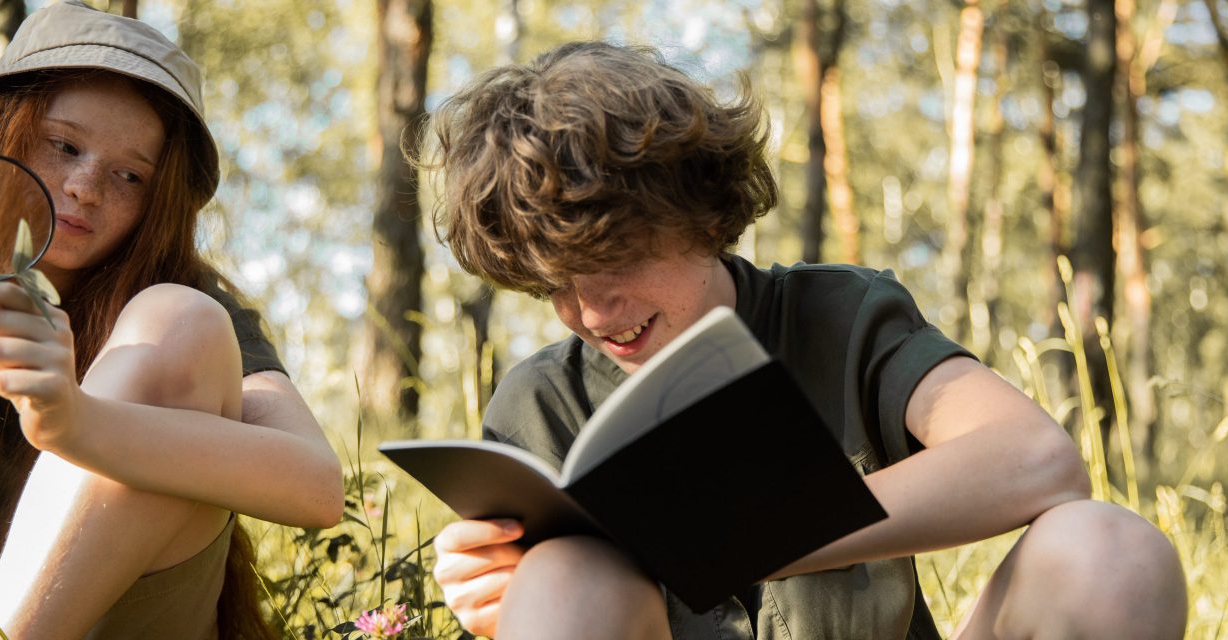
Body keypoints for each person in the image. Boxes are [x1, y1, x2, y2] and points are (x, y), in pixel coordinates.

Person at [424, 42, 1188, 639]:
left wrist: (757, 536)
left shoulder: (836, 315)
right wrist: (505, 602)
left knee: (1109, 552)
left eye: (613, 260)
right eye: (555, 283)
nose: (591, 312)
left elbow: (1035, 461)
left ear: (697, 212)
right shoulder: (538, 404)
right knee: (563, 576)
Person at [0, 2, 343, 638]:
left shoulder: (183, 303)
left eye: (130, 175)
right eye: (64, 145)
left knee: (181, 322)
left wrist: (76, 421)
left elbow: (315, 486)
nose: (86, 186)